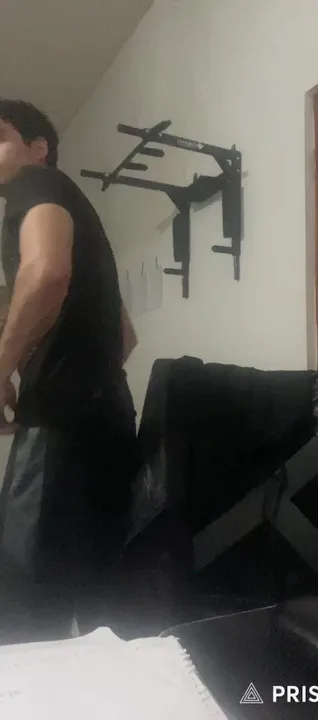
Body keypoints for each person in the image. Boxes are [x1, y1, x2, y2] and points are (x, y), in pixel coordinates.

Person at [0, 99, 138, 643]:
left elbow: (45, 272)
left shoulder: (33, 182)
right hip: (110, 417)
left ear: (39, 149)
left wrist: (3, 369)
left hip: (58, 421)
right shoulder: (74, 208)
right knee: (104, 595)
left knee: (24, 607)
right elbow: (125, 336)